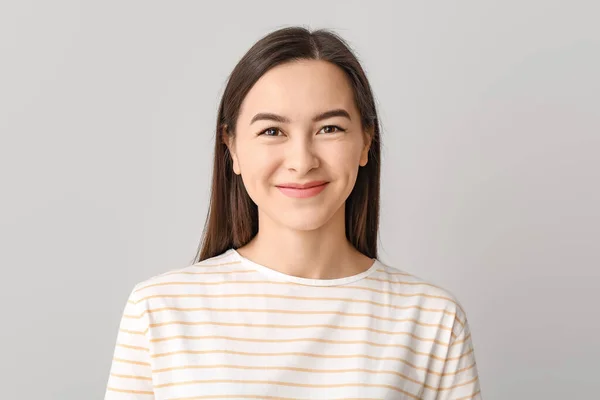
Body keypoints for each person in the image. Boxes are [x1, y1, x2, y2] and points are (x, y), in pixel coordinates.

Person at [104, 26, 482, 399]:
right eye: (272, 131)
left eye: (329, 128)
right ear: (231, 147)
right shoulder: (159, 310)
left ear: (366, 142)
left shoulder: (433, 321)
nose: (302, 162)